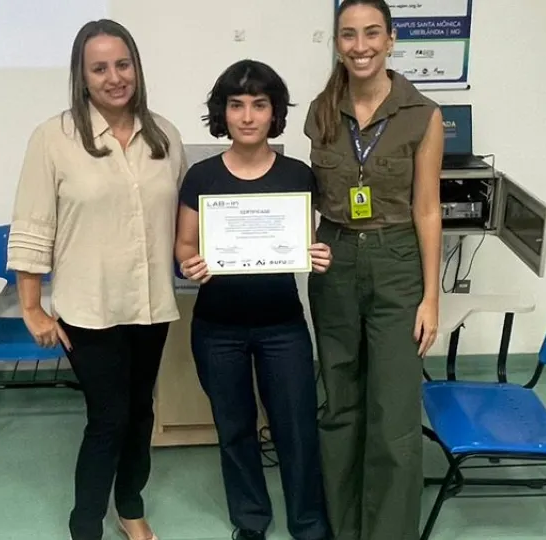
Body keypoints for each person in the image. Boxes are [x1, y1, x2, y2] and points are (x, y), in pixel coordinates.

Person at [6, 18, 187, 540]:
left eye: (123, 64)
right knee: (108, 418)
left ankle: (129, 505)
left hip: (151, 305)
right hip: (90, 308)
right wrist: (33, 306)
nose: (114, 77)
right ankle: (85, 522)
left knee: (140, 412)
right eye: (100, 68)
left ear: (136, 68)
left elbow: (181, 221)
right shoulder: (54, 138)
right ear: (81, 76)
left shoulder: (164, 136)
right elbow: (33, 224)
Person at [174, 59, 333, 540]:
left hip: (282, 326)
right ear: (222, 113)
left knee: (297, 431)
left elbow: (305, 242)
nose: (247, 116)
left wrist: (318, 252)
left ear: (274, 113)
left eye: (259, 105)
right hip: (217, 329)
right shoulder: (201, 177)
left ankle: (309, 523)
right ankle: (250, 522)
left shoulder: (297, 175)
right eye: (236, 105)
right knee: (235, 430)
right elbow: (184, 246)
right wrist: (190, 263)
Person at [303, 1, 444, 539]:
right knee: (339, 402)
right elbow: (307, 199)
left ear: (391, 38)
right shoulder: (321, 110)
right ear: (336, 42)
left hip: (396, 262)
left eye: (371, 34)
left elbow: (427, 208)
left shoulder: (422, 114)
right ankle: (344, 527)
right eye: (348, 35)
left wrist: (431, 297)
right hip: (333, 258)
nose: (359, 46)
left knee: (393, 412)